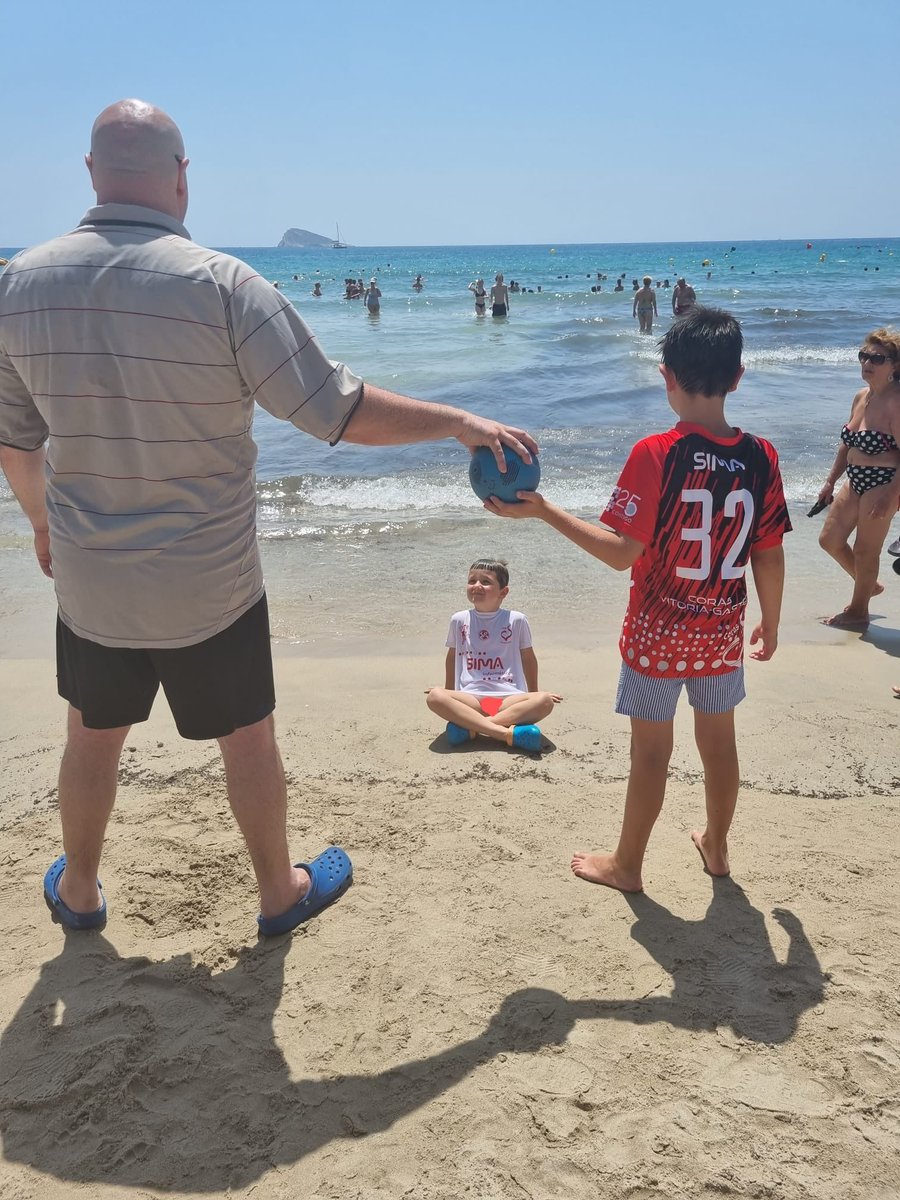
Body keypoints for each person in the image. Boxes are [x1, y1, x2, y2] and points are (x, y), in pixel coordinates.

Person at [0, 98, 538, 940]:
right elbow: (336, 411)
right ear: (181, 178)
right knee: (248, 741)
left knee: (91, 735)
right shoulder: (223, 284)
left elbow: (16, 440)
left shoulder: (18, 284)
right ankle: (278, 897)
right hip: (210, 585)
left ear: (91, 174)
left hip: (92, 583)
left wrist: (40, 524)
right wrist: (458, 422)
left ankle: (78, 894)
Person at [484, 308, 790, 893]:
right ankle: (717, 846)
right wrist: (770, 621)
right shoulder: (762, 456)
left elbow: (623, 552)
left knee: (652, 751)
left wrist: (546, 510)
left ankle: (627, 865)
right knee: (719, 742)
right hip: (722, 628)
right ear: (739, 376)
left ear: (666, 375)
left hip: (659, 630)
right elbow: (768, 553)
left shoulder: (657, 452)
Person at [425, 559, 560, 751]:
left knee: (545, 701)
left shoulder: (516, 620)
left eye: (486, 582)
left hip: (509, 699)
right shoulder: (458, 619)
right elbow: (452, 656)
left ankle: (473, 728)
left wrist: (534, 693)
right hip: (471, 698)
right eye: (472, 581)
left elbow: (528, 658)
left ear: (503, 592)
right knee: (435, 697)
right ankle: (505, 733)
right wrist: (449, 692)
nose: (477, 585)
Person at [816, 330, 900, 628]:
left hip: (885, 481)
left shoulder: (896, 402)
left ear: (894, 366)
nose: (867, 362)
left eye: (877, 358)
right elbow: (847, 444)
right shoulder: (861, 396)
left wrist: (892, 495)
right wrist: (829, 481)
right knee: (829, 539)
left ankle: (858, 611)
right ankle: (868, 585)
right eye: (863, 356)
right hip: (854, 479)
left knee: (866, 550)